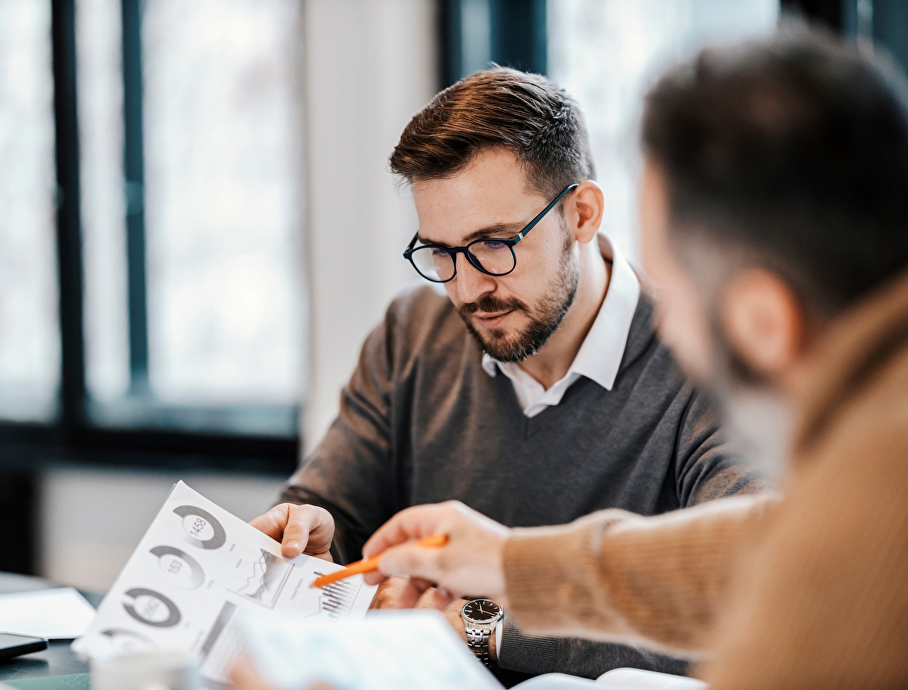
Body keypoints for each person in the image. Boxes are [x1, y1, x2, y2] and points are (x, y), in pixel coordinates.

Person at [359, 28, 908, 689]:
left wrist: (493, 611)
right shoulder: (874, 434)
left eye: (674, 296)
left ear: (765, 320)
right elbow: (757, 547)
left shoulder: (877, 492)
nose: (664, 329)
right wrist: (510, 564)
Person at [249, 68, 765, 679]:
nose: (467, 289)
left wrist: (487, 630)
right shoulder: (413, 333)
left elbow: (754, 603)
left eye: (495, 243)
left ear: (582, 214)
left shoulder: (706, 361)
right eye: (440, 252)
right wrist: (311, 537)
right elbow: (329, 513)